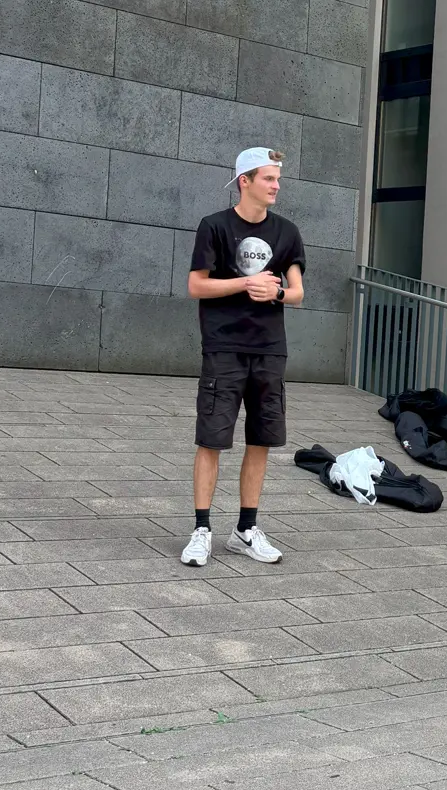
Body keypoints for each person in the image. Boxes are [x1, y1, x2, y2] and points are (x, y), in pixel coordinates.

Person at [182, 147, 306, 568]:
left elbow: (298, 293)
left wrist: (278, 293)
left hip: (270, 351)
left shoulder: (287, 232)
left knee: (261, 441)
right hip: (223, 348)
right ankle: (202, 531)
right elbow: (197, 286)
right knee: (211, 440)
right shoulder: (214, 227)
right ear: (245, 182)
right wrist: (243, 284)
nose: (276, 186)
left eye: (277, 179)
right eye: (268, 178)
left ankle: (245, 531)